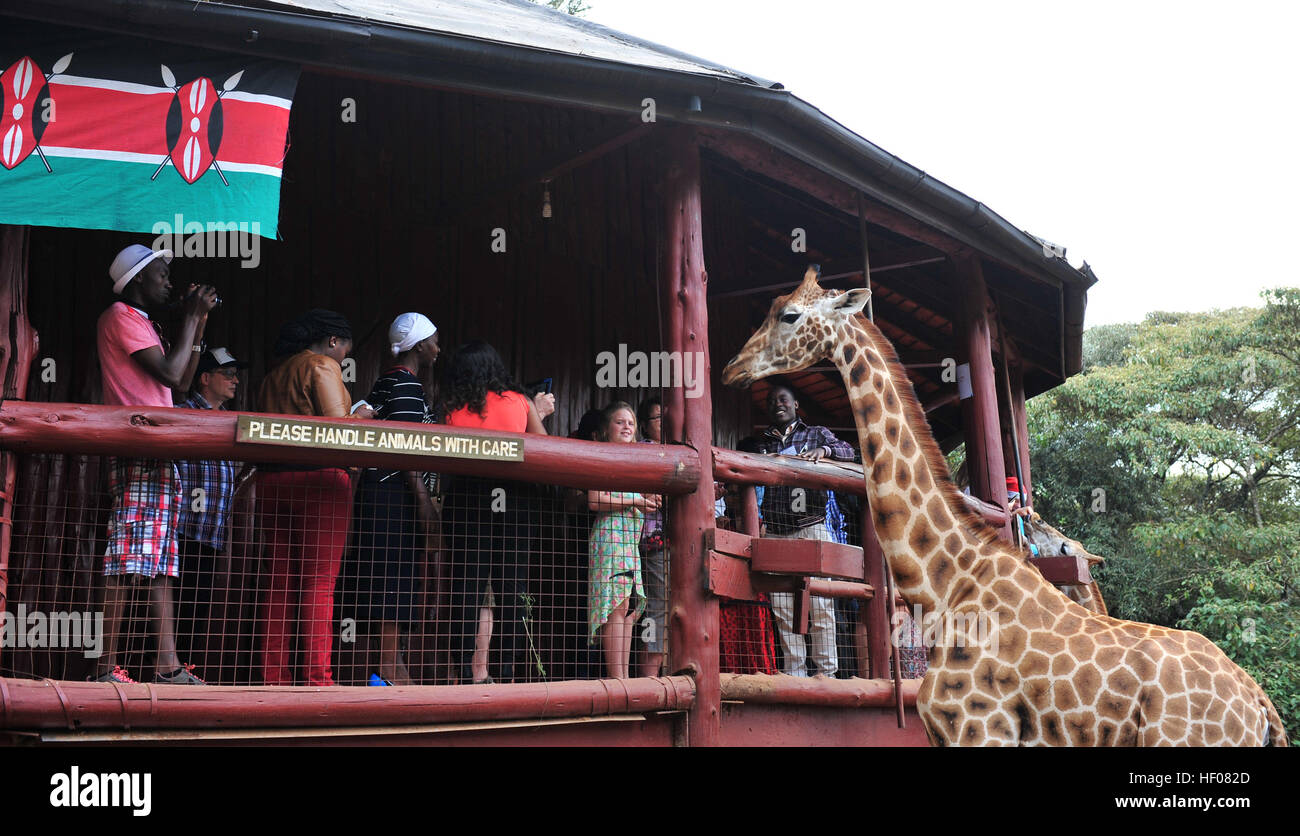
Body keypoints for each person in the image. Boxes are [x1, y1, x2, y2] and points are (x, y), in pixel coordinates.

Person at [93, 243, 218, 685]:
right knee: (127, 559)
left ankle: (167, 668)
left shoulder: (145, 322)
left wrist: (197, 323)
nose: (169, 281)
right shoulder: (119, 316)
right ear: (138, 279)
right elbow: (168, 372)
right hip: (139, 448)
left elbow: (182, 382)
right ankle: (105, 668)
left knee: (161, 562)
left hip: (158, 451)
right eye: (162, 273)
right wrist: (188, 318)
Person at [255, 309, 360, 686]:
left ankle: (274, 679)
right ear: (333, 341)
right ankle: (318, 680)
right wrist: (362, 414)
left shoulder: (272, 376)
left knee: (279, 584)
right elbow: (338, 431)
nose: (343, 358)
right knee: (318, 583)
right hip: (320, 482)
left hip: (272, 482)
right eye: (345, 350)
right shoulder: (322, 365)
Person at [442, 340, 555, 683]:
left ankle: (466, 671)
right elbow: (544, 447)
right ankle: (505, 672)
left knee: (467, 585)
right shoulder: (520, 401)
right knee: (512, 587)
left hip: (468, 497)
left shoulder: (452, 408)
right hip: (514, 499)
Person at [352, 313, 440, 686]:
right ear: (419, 346)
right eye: (435, 340)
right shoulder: (405, 384)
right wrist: (422, 500)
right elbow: (404, 447)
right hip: (394, 493)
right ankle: (389, 668)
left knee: (388, 576)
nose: (439, 348)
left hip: (381, 492)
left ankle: (390, 665)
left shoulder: (388, 380)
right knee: (392, 577)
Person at [746, 380, 855, 677]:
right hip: (777, 532)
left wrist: (824, 451)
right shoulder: (762, 443)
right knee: (782, 607)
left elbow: (849, 452)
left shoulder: (816, 433)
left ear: (796, 405)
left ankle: (826, 674)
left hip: (812, 527)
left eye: (783, 399)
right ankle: (795, 674)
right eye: (771, 401)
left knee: (820, 604)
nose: (777, 404)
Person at [175, 347, 248, 680]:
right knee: (174, 608)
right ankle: (162, 673)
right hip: (182, 530)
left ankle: (185, 670)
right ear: (205, 378)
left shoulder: (230, 419)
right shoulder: (183, 412)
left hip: (211, 533)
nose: (235, 380)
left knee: (196, 610)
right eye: (227, 374)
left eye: (236, 374)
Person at [588, 402, 660, 680]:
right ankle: (617, 679)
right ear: (606, 430)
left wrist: (649, 500)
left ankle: (623, 679)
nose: (627, 426)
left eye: (630, 422)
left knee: (629, 608)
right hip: (609, 537)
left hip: (629, 540)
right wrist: (635, 500)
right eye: (619, 422)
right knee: (616, 605)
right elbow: (594, 499)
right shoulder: (600, 455)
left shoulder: (636, 460)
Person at [635, 397, 669, 677]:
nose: (664, 423)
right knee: (658, 609)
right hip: (653, 541)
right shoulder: (646, 451)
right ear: (645, 426)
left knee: (664, 609)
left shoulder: (673, 449)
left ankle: (660, 674)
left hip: (673, 543)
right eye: (658, 418)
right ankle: (650, 677)